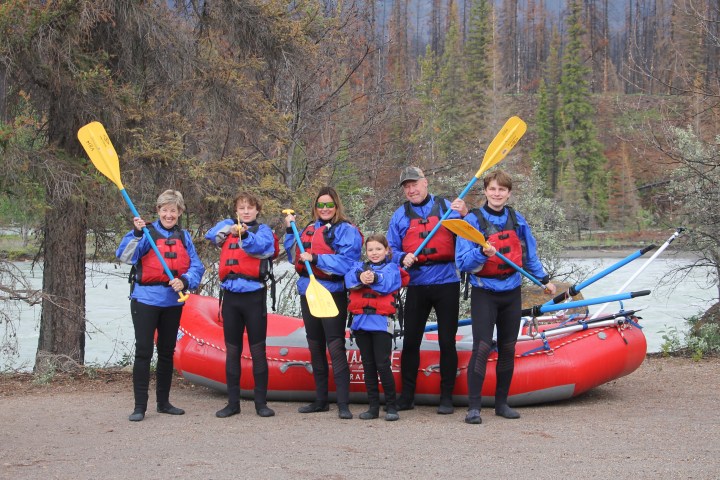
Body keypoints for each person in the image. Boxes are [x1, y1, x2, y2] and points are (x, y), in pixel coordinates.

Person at [455, 170, 556, 425]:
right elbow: (462, 262)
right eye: (492, 189)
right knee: (482, 347)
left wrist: (543, 280)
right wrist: (483, 254)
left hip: (511, 291)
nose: (497, 194)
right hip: (484, 292)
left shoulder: (517, 219)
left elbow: (529, 255)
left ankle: (501, 403)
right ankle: (474, 408)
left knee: (508, 348)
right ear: (486, 191)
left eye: (502, 190)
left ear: (508, 193)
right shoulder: (472, 221)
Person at [116, 189, 205, 422]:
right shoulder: (145, 233)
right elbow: (125, 256)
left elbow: (197, 267)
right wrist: (136, 234)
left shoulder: (184, 237)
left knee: (166, 352)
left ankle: (163, 402)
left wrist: (185, 280)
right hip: (145, 300)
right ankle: (139, 407)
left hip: (172, 301)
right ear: (158, 211)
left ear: (179, 213)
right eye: (164, 210)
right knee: (144, 352)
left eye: (173, 211)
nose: (169, 215)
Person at [387, 166, 468, 414]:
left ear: (425, 183)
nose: (411, 189)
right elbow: (390, 250)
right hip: (417, 284)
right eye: (406, 186)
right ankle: (407, 396)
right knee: (411, 341)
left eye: (414, 184)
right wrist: (402, 258)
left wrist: (466, 214)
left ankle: (446, 398)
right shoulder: (400, 216)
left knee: (447, 342)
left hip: (446, 282)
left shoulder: (446, 208)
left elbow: (469, 233)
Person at [284, 187, 363, 420]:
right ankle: (320, 400)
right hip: (309, 291)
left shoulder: (346, 230)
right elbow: (292, 255)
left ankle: (343, 403)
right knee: (315, 345)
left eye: (329, 205)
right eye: (321, 205)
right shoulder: (308, 229)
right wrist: (290, 230)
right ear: (315, 207)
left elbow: (348, 262)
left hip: (332, 293)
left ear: (336, 206)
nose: (325, 209)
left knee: (335, 347)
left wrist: (317, 258)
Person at [205, 192, 278, 419]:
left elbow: (263, 248)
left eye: (250, 208)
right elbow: (211, 236)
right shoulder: (227, 227)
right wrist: (230, 229)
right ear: (236, 211)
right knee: (233, 351)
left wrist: (245, 235)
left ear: (257, 210)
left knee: (257, 351)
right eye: (241, 208)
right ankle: (232, 403)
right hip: (231, 298)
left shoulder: (263, 231)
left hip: (254, 297)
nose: (246, 211)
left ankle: (260, 404)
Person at [345, 234, 409, 422]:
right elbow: (349, 280)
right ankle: (373, 407)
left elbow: (387, 284)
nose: (374, 253)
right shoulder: (358, 267)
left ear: (387, 250)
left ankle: (391, 406)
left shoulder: (391, 269)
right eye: (370, 250)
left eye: (378, 249)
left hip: (381, 324)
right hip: (361, 323)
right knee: (368, 365)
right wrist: (360, 276)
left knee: (382, 364)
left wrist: (373, 277)